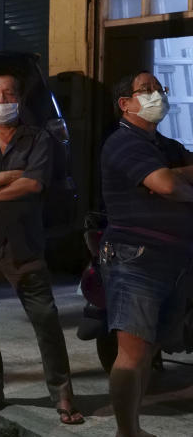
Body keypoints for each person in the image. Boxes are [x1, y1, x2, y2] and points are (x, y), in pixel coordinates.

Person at [0, 70, 83, 425]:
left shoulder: (38, 139)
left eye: (9, 94)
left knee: (45, 318)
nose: (2, 100)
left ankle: (63, 393)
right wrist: (5, 177)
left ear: (19, 100)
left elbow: (32, 185)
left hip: (24, 244)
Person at [100, 71, 193, 437]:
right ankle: (128, 432)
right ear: (125, 104)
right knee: (134, 354)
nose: (157, 95)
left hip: (173, 259)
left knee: (148, 351)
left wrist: (173, 179)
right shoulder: (124, 143)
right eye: (147, 90)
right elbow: (166, 184)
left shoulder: (164, 145)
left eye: (160, 89)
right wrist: (174, 182)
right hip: (136, 257)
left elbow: (170, 181)